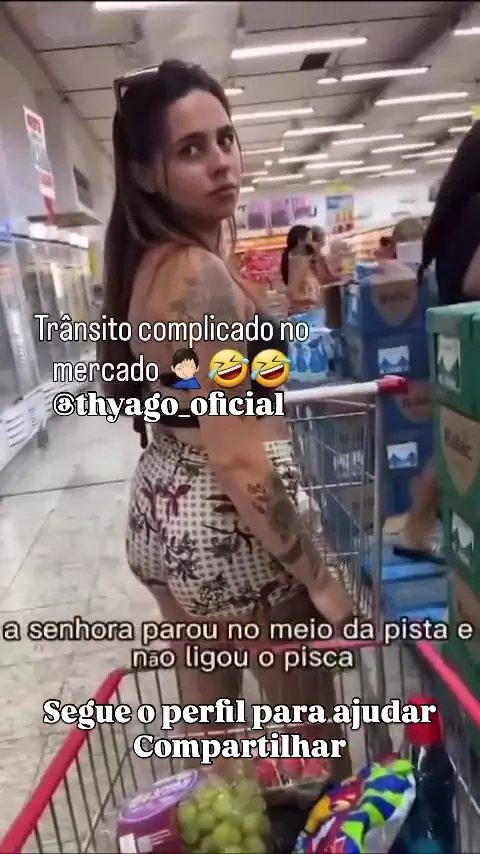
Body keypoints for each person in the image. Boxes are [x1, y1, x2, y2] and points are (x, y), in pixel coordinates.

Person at [100, 60, 352, 771]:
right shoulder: (197, 275)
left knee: (217, 751)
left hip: (167, 503)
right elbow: (238, 453)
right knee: (315, 757)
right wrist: (319, 576)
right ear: (145, 172)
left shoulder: (148, 262)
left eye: (225, 138)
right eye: (191, 149)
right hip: (230, 526)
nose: (220, 161)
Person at [394, 129, 480, 563]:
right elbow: (475, 282)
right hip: (473, 342)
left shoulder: (456, 212)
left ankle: (416, 529)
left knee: (456, 440)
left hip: (457, 346)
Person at [280, 224, 320, 314]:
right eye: (310, 240)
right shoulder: (299, 262)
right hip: (304, 312)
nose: (313, 243)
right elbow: (292, 291)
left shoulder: (295, 259)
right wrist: (311, 301)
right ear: (300, 241)